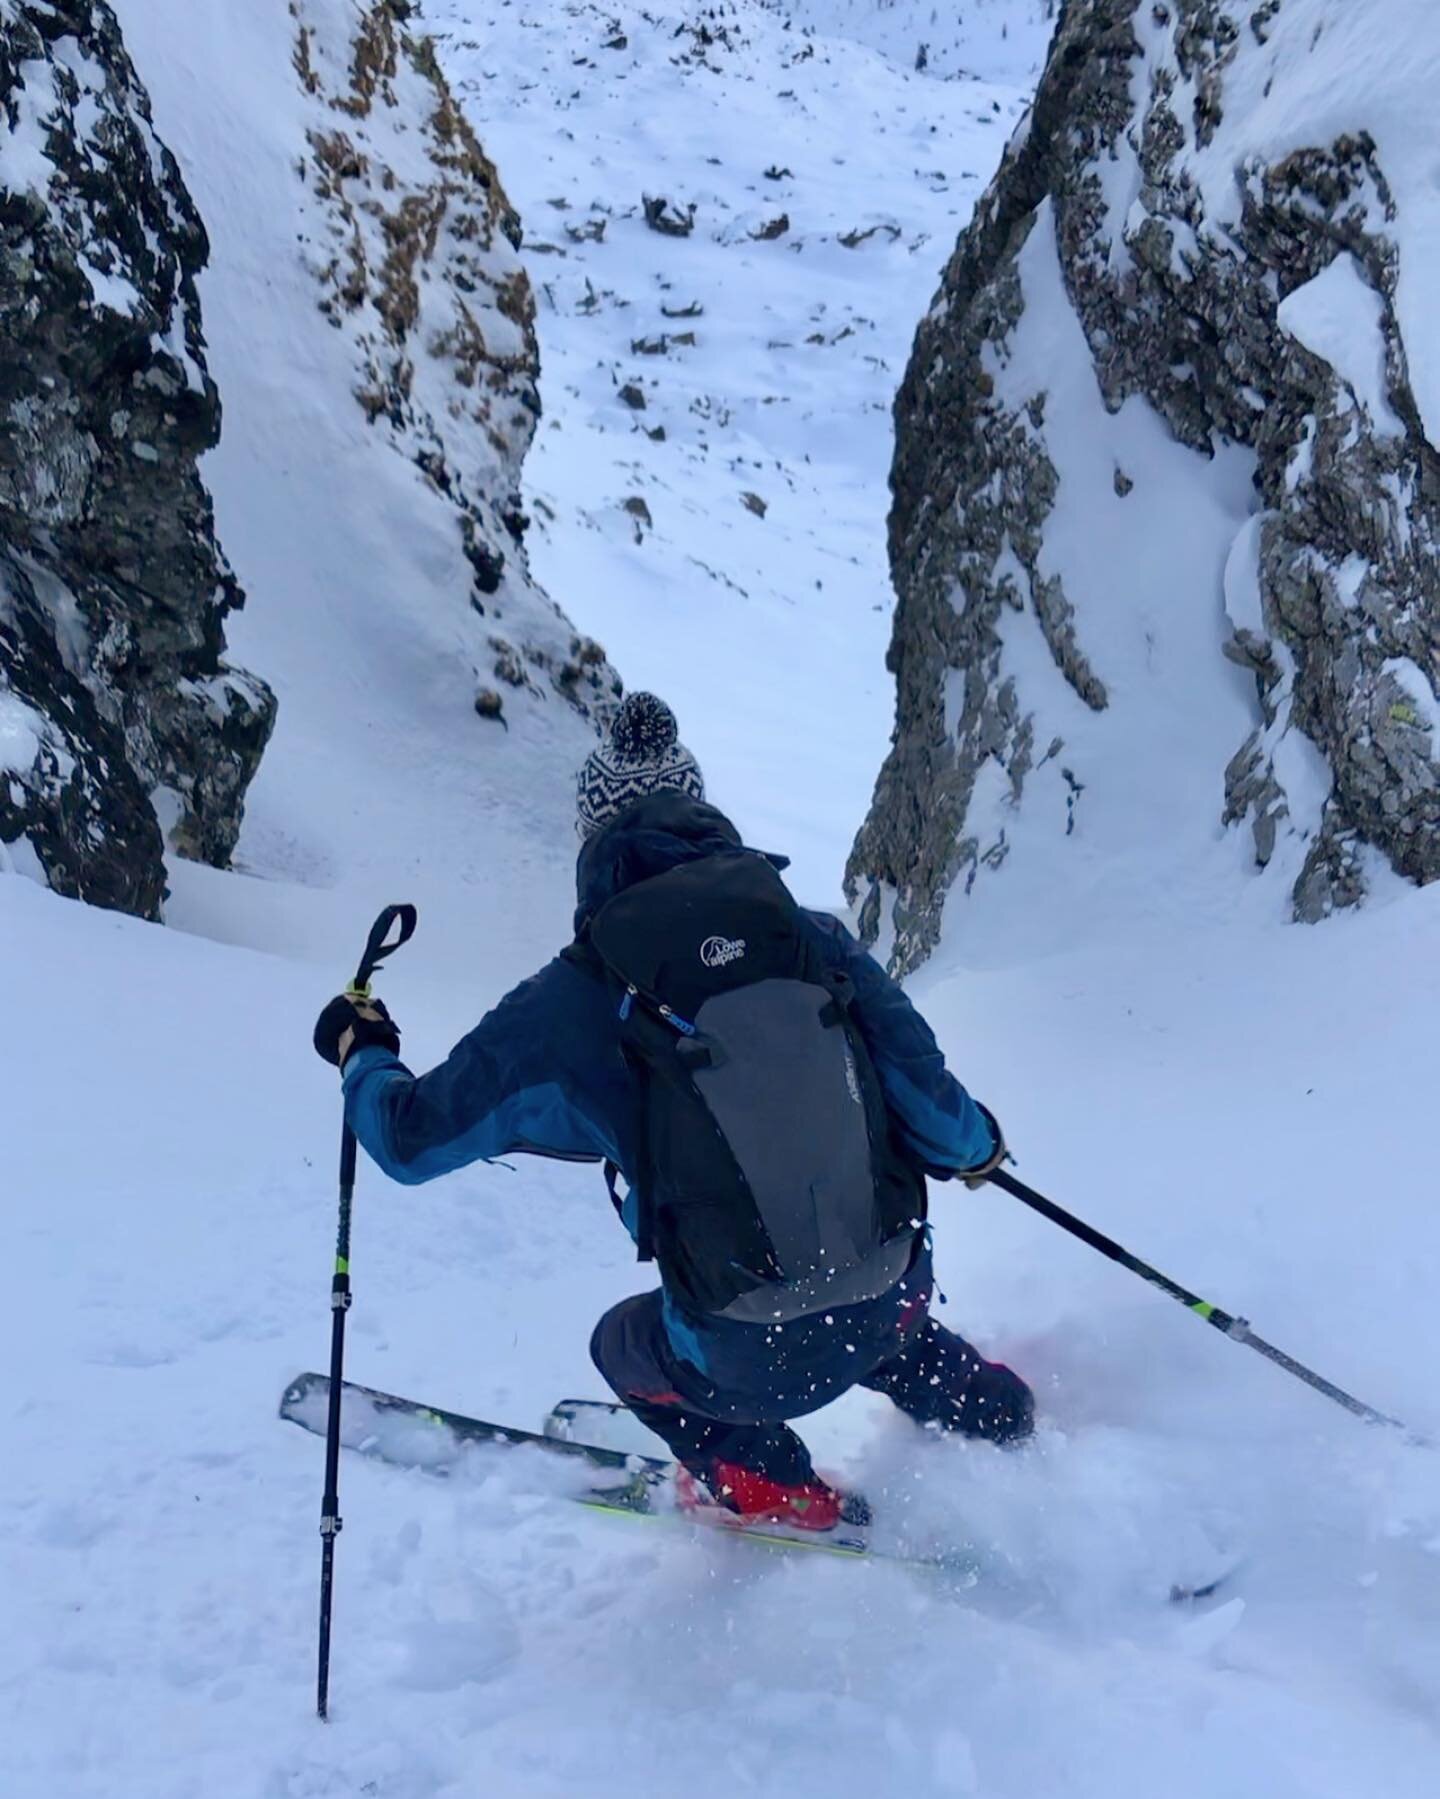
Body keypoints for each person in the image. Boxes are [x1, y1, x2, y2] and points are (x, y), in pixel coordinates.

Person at [314, 694, 1033, 1532]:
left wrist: (362, 1050)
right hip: (895, 1295)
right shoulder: (815, 942)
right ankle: (1000, 1408)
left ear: (594, 838)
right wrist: (982, 1150)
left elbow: (408, 1141)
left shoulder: (576, 996)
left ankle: (777, 1489)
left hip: (745, 1353)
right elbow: (945, 1122)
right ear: (699, 809)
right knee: (869, 1297)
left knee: (623, 1346)